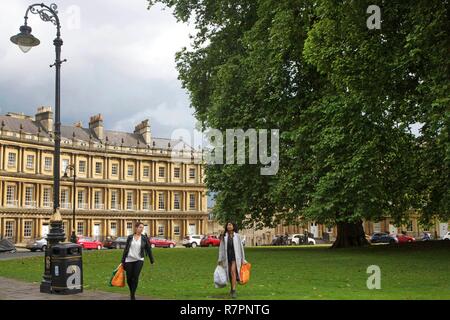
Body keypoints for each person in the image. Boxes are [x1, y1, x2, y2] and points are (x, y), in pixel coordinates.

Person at [121, 222, 155, 300]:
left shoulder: (144, 238)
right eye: (140, 227)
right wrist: (122, 261)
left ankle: (132, 296)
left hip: (139, 260)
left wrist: (152, 260)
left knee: (135, 277)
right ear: (136, 228)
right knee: (129, 278)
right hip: (129, 259)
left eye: (142, 227)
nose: (141, 229)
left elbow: (148, 249)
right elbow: (126, 250)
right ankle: (131, 292)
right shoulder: (130, 237)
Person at [217, 222, 247, 299]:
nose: (229, 226)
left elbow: (241, 248)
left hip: (235, 257)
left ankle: (233, 290)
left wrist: (243, 259)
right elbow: (221, 249)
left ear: (233, 226)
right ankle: (232, 288)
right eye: (228, 225)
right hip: (227, 257)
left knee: (233, 271)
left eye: (230, 225)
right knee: (229, 273)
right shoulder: (224, 236)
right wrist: (220, 259)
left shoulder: (237, 236)